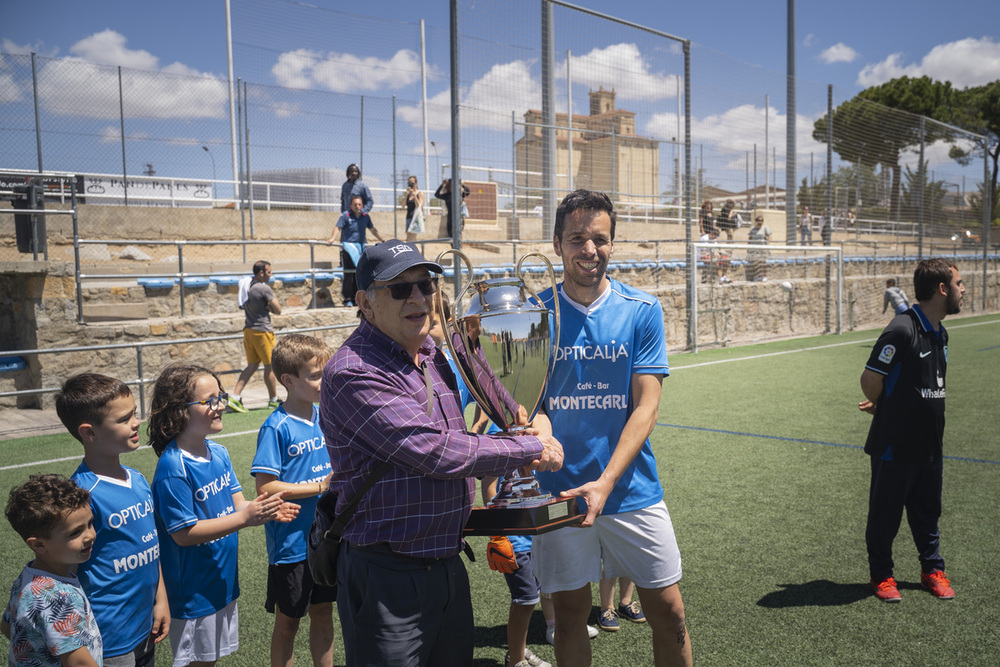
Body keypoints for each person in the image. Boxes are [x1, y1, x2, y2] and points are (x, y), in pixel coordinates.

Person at [318, 239, 564, 666]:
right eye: (399, 289)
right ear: (365, 303)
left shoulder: (433, 353)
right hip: (387, 574)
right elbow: (435, 451)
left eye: (425, 284)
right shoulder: (353, 371)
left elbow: (502, 399)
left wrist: (532, 419)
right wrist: (528, 447)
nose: (418, 297)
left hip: (447, 563)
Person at [532, 189, 692, 667]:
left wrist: (605, 482)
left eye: (599, 239)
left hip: (629, 489)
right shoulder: (535, 314)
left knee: (670, 610)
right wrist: (540, 433)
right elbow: (532, 403)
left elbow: (646, 407)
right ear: (557, 243)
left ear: (613, 245)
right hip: (560, 493)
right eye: (577, 238)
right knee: (570, 612)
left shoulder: (641, 309)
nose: (589, 250)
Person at [149, 365, 299, 667]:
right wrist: (247, 518)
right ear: (179, 411)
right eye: (210, 400)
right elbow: (183, 533)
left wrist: (265, 509)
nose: (221, 406)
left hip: (221, 580)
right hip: (192, 591)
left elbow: (238, 504)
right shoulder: (173, 468)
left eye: (221, 396)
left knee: (210, 660)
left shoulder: (218, 452)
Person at [858, 259, 965, 603]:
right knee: (885, 516)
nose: (964, 290)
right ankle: (881, 576)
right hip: (895, 445)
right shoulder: (902, 329)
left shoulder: (940, 332)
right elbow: (870, 378)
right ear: (942, 289)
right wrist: (882, 402)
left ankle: (932, 569)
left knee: (928, 514)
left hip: (931, 445)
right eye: (959, 284)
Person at [57, 373, 170, 666]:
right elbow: (63, 572)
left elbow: (149, 545)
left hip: (145, 624)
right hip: (109, 635)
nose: (136, 423)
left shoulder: (138, 480)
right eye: (124, 419)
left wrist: (161, 598)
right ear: (89, 433)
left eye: (134, 414)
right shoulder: (81, 496)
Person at [250, 335, 337, 667]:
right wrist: (319, 487)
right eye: (315, 375)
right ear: (288, 380)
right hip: (292, 544)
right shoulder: (276, 426)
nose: (322, 381)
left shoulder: (324, 415)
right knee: (288, 622)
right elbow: (266, 487)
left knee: (323, 612)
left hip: (327, 537)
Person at [2, 473, 103, 666]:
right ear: (39, 545)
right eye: (75, 532)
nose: (90, 535)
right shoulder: (58, 596)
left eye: (90, 523)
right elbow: (79, 663)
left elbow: (7, 626)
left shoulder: (29, 577)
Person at [229, 260, 283, 413]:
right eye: (268, 272)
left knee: (252, 365)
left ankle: (234, 397)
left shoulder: (249, 286)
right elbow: (278, 310)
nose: (271, 275)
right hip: (262, 331)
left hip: (249, 330)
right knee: (270, 366)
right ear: (261, 273)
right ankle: (273, 400)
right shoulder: (263, 289)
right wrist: (270, 308)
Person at [328, 194, 385, 308]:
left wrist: (382, 239)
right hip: (348, 248)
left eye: (359, 204)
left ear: (362, 205)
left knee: (359, 273)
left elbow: (372, 229)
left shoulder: (365, 216)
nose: (357, 206)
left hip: (360, 248)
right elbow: (337, 227)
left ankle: (357, 298)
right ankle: (347, 299)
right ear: (351, 205)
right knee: (348, 273)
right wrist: (332, 238)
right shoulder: (345, 216)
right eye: (355, 204)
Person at [746, 215, 771, 282]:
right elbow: (750, 239)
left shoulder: (765, 228)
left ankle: (764, 276)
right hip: (755, 248)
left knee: (763, 262)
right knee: (756, 262)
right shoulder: (752, 229)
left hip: (763, 248)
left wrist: (768, 242)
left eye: (761, 221)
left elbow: (769, 236)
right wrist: (748, 247)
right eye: (758, 220)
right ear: (756, 221)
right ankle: (758, 276)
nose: (760, 222)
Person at [404, 175, 425, 243]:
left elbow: (419, 206)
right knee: (410, 239)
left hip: (415, 219)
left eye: (412, 183)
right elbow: (402, 205)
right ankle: (418, 252)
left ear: (416, 183)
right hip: (408, 218)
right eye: (409, 183)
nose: (410, 184)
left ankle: (419, 252)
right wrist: (406, 195)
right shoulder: (408, 194)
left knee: (410, 240)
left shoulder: (420, 193)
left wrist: (414, 196)